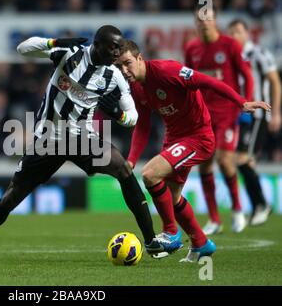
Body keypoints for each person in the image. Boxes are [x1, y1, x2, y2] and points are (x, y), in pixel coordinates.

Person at [0, 25, 179, 264]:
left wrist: (117, 114)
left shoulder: (115, 76)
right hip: (48, 138)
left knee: (123, 169)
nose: (116, 52)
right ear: (97, 45)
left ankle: (151, 240)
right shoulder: (70, 53)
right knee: (12, 196)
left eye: (119, 48)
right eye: (112, 47)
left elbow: (133, 117)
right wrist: (53, 42)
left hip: (82, 139)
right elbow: (23, 49)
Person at [116, 40, 270, 262]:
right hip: (174, 139)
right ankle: (201, 243)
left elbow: (207, 80)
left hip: (198, 137)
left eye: (128, 63)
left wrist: (241, 102)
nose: (124, 70)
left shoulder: (167, 70)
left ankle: (170, 232)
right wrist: (131, 160)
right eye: (119, 66)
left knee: (150, 174)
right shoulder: (137, 88)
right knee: (173, 195)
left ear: (140, 58)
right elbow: (142, 126)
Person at [184, 6, 254, 234]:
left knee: (225, 161)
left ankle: (237, 210)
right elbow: (188, 82)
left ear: (215, 21)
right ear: (196, 23)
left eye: (208, 19)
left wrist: (246, 102)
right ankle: (214, 219)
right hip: (203, 116)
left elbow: (246, 75)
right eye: (200, 20)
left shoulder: (230, 45)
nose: (204, 23)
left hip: (227, 114)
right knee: (205, 165)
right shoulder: (191, 48)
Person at [228, 19, 281, 226]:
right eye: (231, 33)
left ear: (247, 34)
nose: (234, 36)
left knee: (241, 160)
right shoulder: (233, 58)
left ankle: (261, 205)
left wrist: (276, 113)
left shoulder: (259, 54)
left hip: (258, 116)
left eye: (238, 32)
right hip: (240, 117)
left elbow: (275, 82)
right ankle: (258, 206)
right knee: (245, 162)